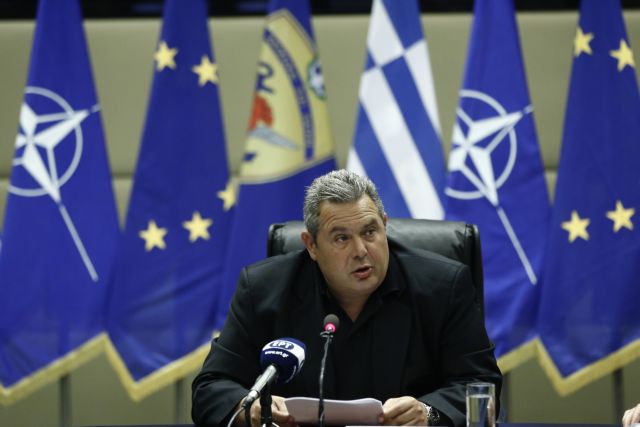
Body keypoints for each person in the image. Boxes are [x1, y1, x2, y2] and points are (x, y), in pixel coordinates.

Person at [192, 169, 502, 427]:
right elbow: (211, 387)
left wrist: (428, 413)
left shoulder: (443, 286)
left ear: (385, 225)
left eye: (370, 232)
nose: (361, 251)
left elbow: (480, 384)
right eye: (341, 238)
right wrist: (249, 408)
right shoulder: (263, 289)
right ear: (311, 245)